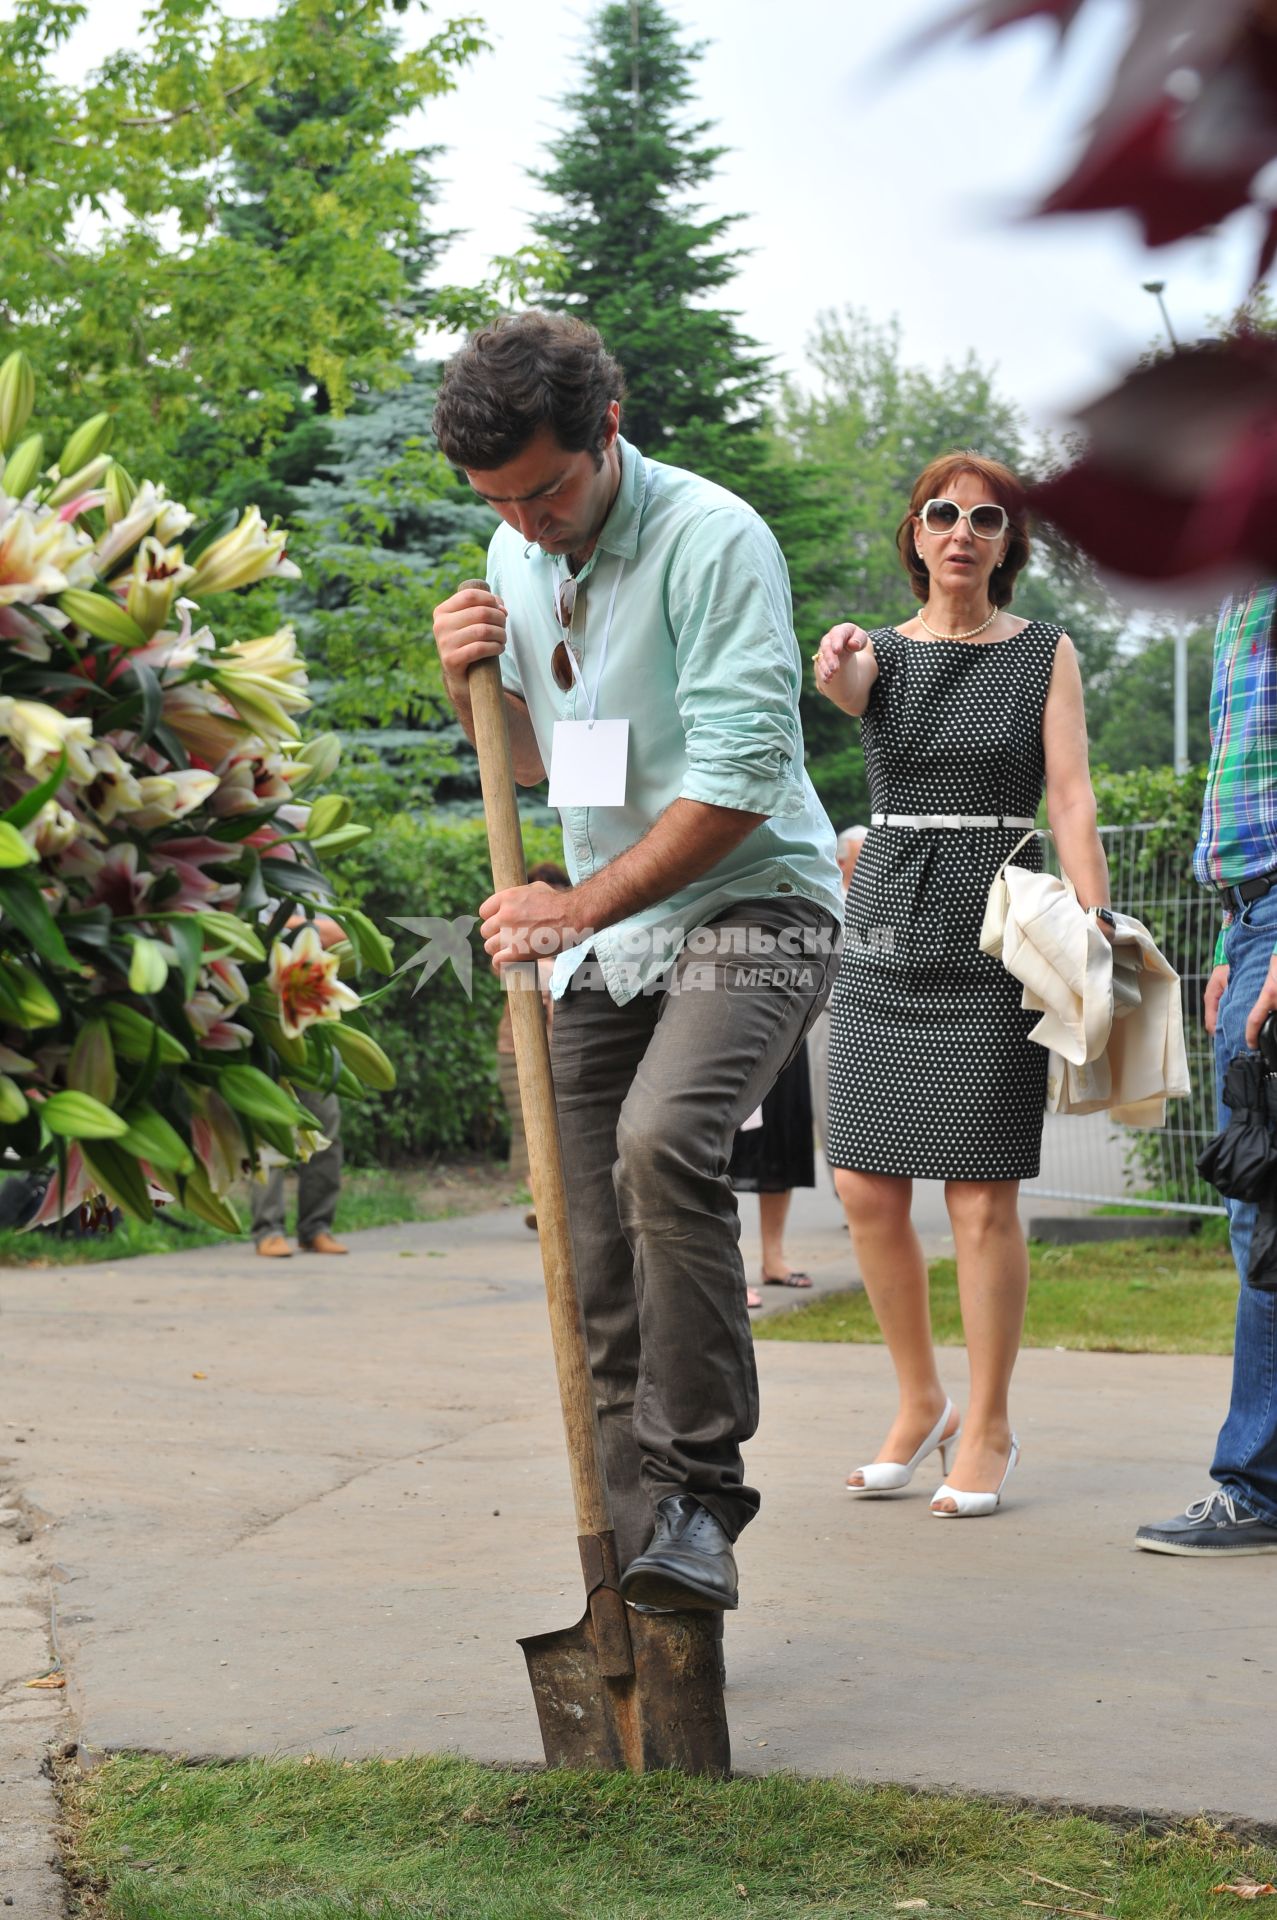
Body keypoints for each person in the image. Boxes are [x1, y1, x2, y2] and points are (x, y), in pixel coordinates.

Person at [431, 312, 843, 1611]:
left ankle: (701, 1493)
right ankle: (641, 1597)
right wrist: (471, 691)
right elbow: (545, 762)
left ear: (607, 430)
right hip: (614, 923)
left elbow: (731, 788)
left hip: (755, 898)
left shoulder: (714, 541)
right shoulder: (515, 544)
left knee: (664, 1140)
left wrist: (575, 908)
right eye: (500, 500)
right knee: (591, 1242)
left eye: (545, 488)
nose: (528, 520)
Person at [814, 452, 1112, 1518]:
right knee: (860, 1183)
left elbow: (1070, 797)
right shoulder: (878, 655)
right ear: (913, 533)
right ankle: (917, 1399)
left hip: (995, 922)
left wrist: (1096, 919)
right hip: (887, 909)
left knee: (981, 1195)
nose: (960, 532)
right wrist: (837, 661)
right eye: (942, 513)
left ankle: (986, 1423)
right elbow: (844, 689)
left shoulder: (1043, 653)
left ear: (1003, 544)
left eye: (984, 519)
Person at [1135, 586, 1277, 1556]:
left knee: (1266, 1213)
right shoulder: (1239, 591)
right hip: (1250, 912)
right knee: (1258, 1202)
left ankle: (1255, 1486)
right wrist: (1238, 927)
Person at [253, 912, 349, 1259]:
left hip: (309, 1023)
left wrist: (290, 926)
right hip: (262, 1022)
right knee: (271, 1130)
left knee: (326, 1125)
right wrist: (303, 928)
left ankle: (316, 1228)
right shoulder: (257, 882)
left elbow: (339, 936)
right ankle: (268, 1229)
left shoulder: (313, 890)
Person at [495, 860, 570, 1229]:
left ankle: (556, 1201)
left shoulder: (580, 936)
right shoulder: (515, 937)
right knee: (527, 1125)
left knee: (561, 1125)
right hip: (516, 1050)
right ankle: (543, 1204)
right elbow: (507, 968)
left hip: (564, 1049)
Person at [730, 1044, 817, 1310]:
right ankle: (728, 1272)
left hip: (780, 1014)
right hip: (725, 1020)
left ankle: (773, 1259)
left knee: (782, 1131)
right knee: (722, 1149)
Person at [809, 825, 867, 1177]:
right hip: (830, 1014)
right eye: (863, 858)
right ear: (842, 862)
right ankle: (847, 1190)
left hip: (876, 1014)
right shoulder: (824, 900)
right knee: (830, 1105)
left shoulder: (887, 899)